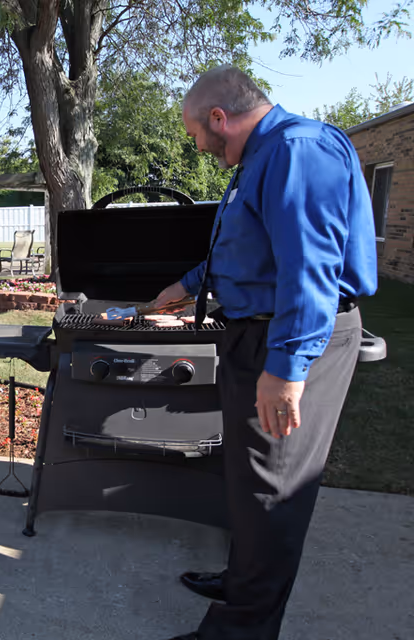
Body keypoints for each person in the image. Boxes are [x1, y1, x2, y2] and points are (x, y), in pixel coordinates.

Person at [152, 66, 377, 640]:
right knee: (249, 482)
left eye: (195, 134)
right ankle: (242, 581)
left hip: (292, 339)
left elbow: (310, 269)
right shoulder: (262, 157)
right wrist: (189, 284)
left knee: (273, 493)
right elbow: (251, 249)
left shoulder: (298, 151)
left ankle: (240, 632)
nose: (197, 147)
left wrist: (286, 367)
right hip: (257, 335)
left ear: (219, 119)